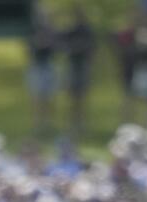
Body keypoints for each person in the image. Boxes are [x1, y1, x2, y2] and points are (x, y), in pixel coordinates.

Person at [61, 6, 96, 139]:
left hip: (82, 66)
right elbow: (63, 45)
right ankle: (71, 125)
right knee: (71, 97)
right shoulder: (70, 30)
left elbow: (91, 49)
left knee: (81, 97)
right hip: (72, 66)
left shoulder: (87, 31)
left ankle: (81, 124)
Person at [27, 7, 60, 137]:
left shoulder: (51, 30)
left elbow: (54, 45)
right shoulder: (32, 29)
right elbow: (32, 45)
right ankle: (36, 125)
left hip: (48, 65)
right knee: (36, 97)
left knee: (49, 97)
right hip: (37, 65)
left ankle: (47, 124)